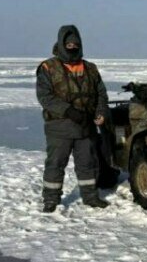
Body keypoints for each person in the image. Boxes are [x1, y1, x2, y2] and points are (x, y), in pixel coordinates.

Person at [36, 25, 110, 212]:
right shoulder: (48, 67)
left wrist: (101, 112)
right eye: (68, 44)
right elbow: (45, 97)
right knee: (55, 164)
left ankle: (91, 197)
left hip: (86, 127)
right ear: (61, 44)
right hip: (59, 127)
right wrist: (69, 111)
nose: (72, 47)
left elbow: (101, 93)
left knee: (88, 164)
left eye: (75, 43)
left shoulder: (90, 69)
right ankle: (51, 200)